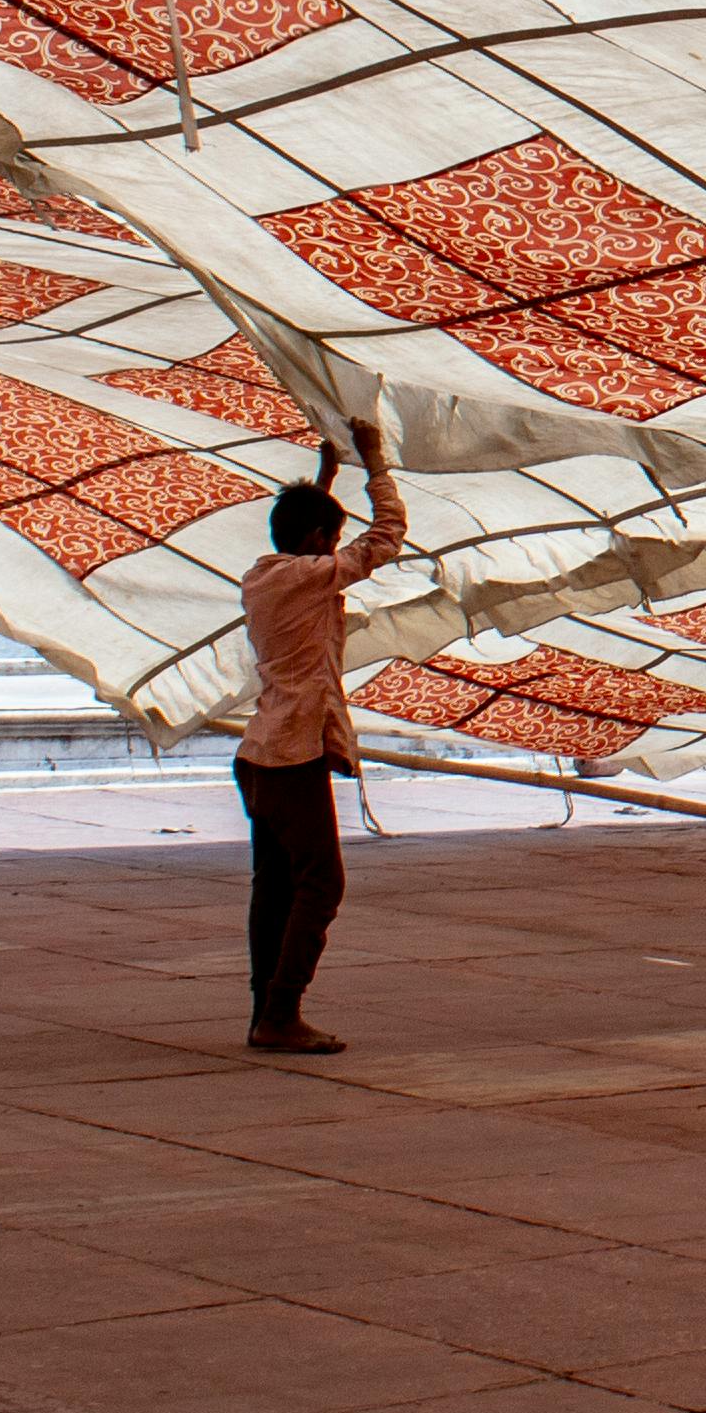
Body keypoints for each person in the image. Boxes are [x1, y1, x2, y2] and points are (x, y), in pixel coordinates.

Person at [238, 417, 405, 1054]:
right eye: (329, 539)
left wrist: (328, 472)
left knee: (274, 886)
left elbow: (308, 535)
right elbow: (386, 538)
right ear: (316, 541)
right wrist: (376, 463)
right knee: (321, 884)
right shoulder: (311, 576)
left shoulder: (264, 576)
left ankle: (266, 1013)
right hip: (290, 755)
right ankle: (281, 1012)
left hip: (260, 753)